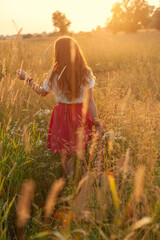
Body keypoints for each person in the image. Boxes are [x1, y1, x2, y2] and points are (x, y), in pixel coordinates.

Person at [17, 36, 103, 178]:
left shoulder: (55, 72)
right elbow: (90, 101)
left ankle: (71, 184)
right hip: (81, 113)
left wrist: (27, 78)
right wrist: (97, 123)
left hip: (62, 115)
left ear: (58, 53)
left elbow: (41, 92)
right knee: (86, 149)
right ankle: (88, 183)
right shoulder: (85, 72)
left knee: (67, 154)